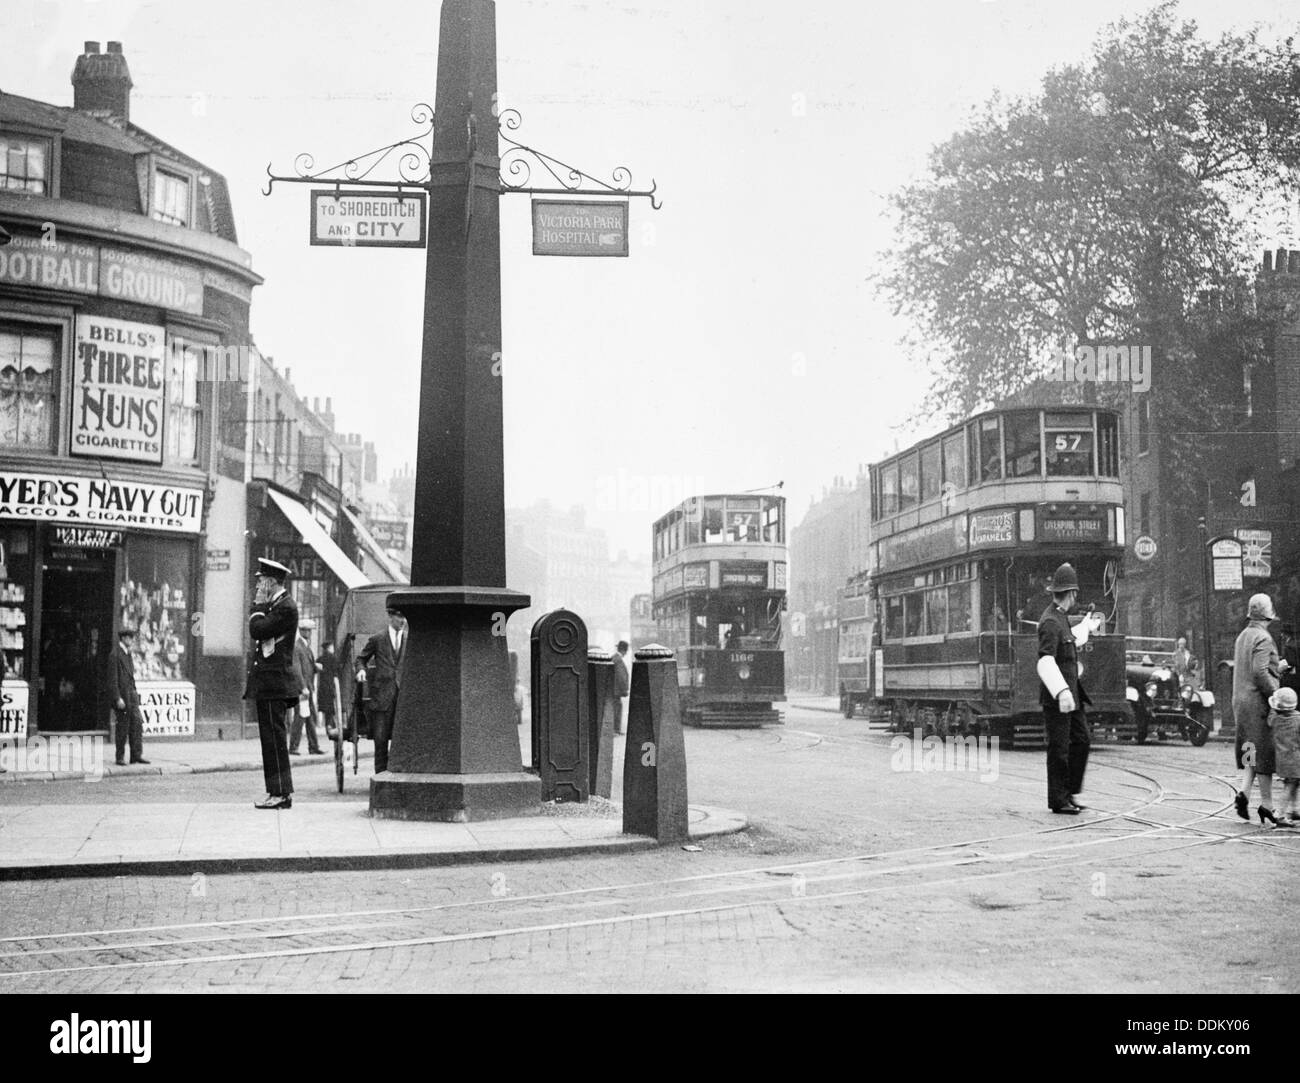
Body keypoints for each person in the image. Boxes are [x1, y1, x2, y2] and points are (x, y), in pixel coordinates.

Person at [243, 558, 302, 810]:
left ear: (270, 582)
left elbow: (258, 629)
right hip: (270, 683)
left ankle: (280, 793)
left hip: (274, 683)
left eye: (261, 581)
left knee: (274, 739)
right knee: (271, 738)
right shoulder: (277, 605)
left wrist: (257, 607)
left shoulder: (285, 607)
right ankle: (276, 792)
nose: (258, 586)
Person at [1036, 562, 1090, 814]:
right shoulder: (1050, 621)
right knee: (1058, 748)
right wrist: (1061, 691)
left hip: (1072, 695)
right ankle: (1059, 799)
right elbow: (1045, 660)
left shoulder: (1061, 619)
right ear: (1071, 594)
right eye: (1076, 593)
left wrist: (1086, 628)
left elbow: (1069, 642)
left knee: (1081, 740)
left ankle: (1069, 791)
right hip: (1059, 697)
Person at [1232, 593, 1282, 824]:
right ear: (1267, 613)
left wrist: (1276, 668)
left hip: (1241, 701)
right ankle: (1268, 805)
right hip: (1257, 703)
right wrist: (1276, 694)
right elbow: (1260, 672)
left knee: (1250, 748)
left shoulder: (1244, 635)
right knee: (1264, 754)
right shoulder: (1263, 637)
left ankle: (1244, 793)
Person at [356, 604, 406, 773]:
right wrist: (361, 670)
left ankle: (396, 779)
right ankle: (379, 781)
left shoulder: (409, 640)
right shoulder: (378, 639)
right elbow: (361, 659)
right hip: (381, 698)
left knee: (401, 743)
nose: (403, 621)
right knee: (380, 741)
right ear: (390, 617)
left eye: (404, 618)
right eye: (399, 617)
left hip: (403, 698)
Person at [108, 626, 148, 766]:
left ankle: (136, 755)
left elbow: (130, 677)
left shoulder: (127, 654)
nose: (131, 640)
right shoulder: (115, 655)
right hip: (123, 697)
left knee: (137, 724)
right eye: (129, 638)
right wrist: (117, 698)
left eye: (132, 638)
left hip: (131, 695)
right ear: (123, 638)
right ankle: (120, 757)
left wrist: (135, 692)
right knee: (122, 727)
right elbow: (112, 680)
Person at [289, 618, 323, 755]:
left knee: (309, 718)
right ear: (300, 630)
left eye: (309, 630)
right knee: (300, 717)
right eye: (305, 630)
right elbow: (296, 669)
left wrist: (315, 667)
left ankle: (313, 746)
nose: (308, 633)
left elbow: (307, 666)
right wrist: (302, 687)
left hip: (307, 688)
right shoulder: (297, 647)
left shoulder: (306, 647)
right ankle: (293, 747)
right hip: (302, 689)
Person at [1268, 687, 1300, 825]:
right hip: (1295, 758)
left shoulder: (1274, 719)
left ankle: (1295, 809)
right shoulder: (1298, 719)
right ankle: (1280, 814)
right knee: (1291, 785)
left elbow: (1269, 719)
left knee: (1293, 783)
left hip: (1281, 758)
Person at [318, 639, 340, 740]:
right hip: (331, 685)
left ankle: (328, 727)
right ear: (330, 648)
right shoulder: (333, 658)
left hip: (323, 687)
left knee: (327, 710)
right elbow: (336, 671)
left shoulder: (320, 659)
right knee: (332, 709)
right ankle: (332, 727)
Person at [613, 640, 630, 735]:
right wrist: (624, 690)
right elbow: (621, 677)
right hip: (616, 691)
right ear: (624, 650)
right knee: (617, 709)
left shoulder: (614, 658)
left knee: (616, 709)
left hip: (614, 690)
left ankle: (616, 730)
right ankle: (616, 730)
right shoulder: (618, 660)